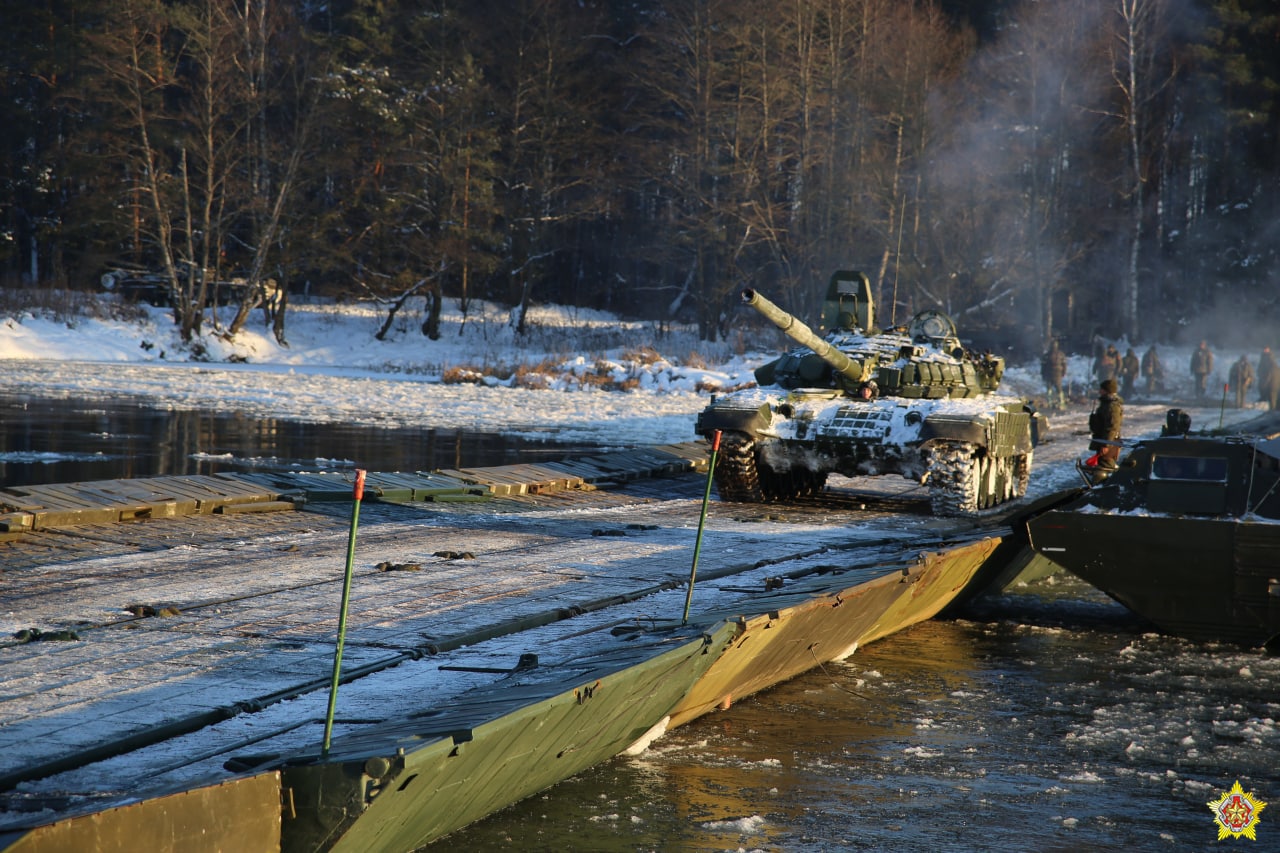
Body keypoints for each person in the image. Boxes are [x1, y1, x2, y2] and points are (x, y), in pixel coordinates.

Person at [1088, 378, 1124, 469]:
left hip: (1109, 443)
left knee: (1106, 467)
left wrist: (1106, 444)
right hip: (1103, 440)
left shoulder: (1112, 407)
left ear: (1107, 391)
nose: (1100, 391)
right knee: (1102, 465)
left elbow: (1112, 427)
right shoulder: (1106, 404)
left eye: (1102, 389)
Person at [1040, 338, 1068, 410]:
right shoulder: (1061, 354)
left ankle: (1051, 402)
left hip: (1050, 373)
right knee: (1058, 389)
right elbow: (1064, 364)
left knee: (1050, 389)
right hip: (1057, 373)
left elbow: (1043, 366)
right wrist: (1064, 372)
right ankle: (1061, 403)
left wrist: (1043, 374)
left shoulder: (1047, 355)